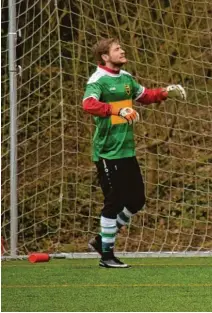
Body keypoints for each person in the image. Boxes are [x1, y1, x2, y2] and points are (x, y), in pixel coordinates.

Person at [82, 38, 186, 268]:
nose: (122, 50)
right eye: (117, 49)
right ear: (105, 57)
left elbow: (145, 96)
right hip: (107, 152)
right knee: (114, 201)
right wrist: (117, 109)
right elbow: (88, 105)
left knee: (137, 199)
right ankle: (107, 255)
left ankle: (101, 241)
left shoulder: (126, 77)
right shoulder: (98, 80)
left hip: (126, 150)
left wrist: (165, 92)